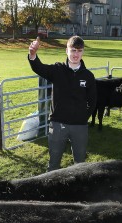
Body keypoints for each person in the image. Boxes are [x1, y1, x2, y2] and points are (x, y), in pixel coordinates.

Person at [28, 36, 97, 172]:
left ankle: (77, 189)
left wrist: (83, 117)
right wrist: (33, 54)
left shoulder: (88, 76)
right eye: (73, 50)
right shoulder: (57, 70)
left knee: (80, 164)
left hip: (80, 126)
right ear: (67, 51)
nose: (76, 54)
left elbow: (93, 100)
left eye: (79, 51)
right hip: (58, 125)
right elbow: (39, 68)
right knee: (53, 163)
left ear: (82, 52)